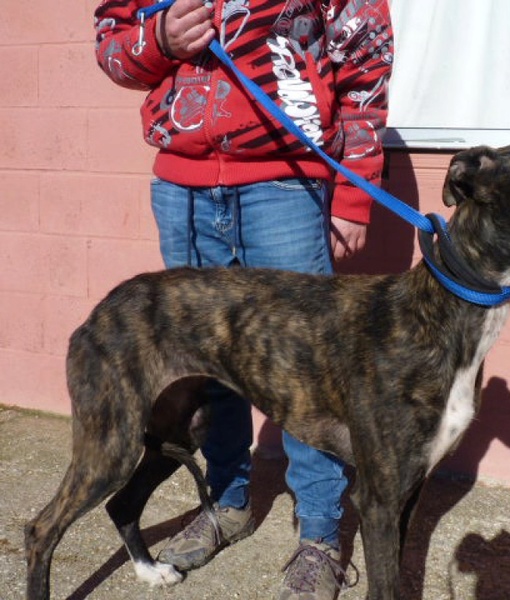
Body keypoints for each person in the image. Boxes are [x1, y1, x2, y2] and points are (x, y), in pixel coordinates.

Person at [93, 1, 393, 598]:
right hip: (182, 185)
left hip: (285, 182)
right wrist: (158, 38)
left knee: (306, 369)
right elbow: (114, 48)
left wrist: (355, 194)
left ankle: (319, 538)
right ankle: (229, 504)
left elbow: (365, 59)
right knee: (208, 365)